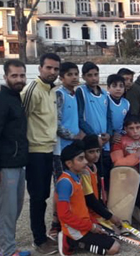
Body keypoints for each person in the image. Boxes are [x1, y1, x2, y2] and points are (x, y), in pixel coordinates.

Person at [0, 59, 34, 256]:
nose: (19, 79)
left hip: (18, 162)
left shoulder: (16, 98)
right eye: (14, 76)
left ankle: (7, 247)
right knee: (7, 210)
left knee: (15, 208)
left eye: (22, 75)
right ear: (5, 77)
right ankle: (7, 254)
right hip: (5, 165)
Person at [21, 53, 60, 255]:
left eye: (55, 69)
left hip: (48, 150)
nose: (52, 72)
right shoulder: (32, 90)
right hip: (35, 151)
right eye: (49, 68)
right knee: (37, 197)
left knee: (44, 194)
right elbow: (21, 119)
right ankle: (39, 239)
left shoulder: (52, 91)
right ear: (40, 68)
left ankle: (43, 236)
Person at [55, 142, 120, 256]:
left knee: (115, 234)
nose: (85, 162)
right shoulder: (65, 183)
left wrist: (92, 223)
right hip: (76, 228)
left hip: (85, 223)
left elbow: (80, 207)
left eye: (84, 158)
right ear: (69, 163)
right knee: (114, 248)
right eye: (80, 159)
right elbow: (63, 215)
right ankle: (73, 242)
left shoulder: (77, 177)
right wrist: (91, 227)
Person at [75, 62, 112, 195]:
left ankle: (104, 206)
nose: (94, 78)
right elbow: (79, 118)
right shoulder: (81, 92)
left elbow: (108, 117)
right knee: (90, 177)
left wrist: (109, 133)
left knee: (105, 177)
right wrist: (94, 137)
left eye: (96, 74)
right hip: (90, 143)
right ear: (84, 77)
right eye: (89, 75)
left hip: (105, 143)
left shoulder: (104, 94)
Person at [78, 135, 124, 226]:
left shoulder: (94, 167)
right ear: (83, 153)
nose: (96, 155)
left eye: (98, 151)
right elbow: (90, 199)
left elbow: (97, 197)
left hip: (95, 211)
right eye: (91, 152)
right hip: (87, 213)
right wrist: (109, 216)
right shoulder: (84, 172)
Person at [55, 62, 84, 178]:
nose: (74, 77)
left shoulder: (75, 95)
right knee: (63, 181)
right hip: (62, 148)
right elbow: (56, 123)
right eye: (70, 74)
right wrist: (74, 136)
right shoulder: (59, 95)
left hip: (74, 146)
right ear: (61, 78)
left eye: (76, 74)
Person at [106, 74, 130, 144]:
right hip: (107, 135)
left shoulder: (126, 103)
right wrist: (111, 134)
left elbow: (127, 122)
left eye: (121, 86)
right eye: (114, 86)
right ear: (108, 88)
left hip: (120, 136)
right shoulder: (105, 100)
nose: (118, 88)